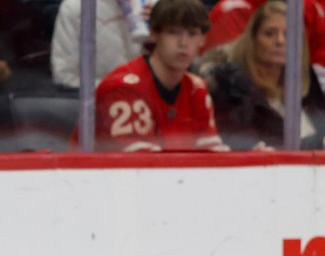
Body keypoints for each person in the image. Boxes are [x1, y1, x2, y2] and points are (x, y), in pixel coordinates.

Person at [89, 0, 227, 151]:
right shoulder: (121, 89)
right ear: (153, 34)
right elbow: (141, 167)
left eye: (192, 34)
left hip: (174, 173)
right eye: (173, 32)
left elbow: (212, 157)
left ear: (203, 40)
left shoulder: (197, 90)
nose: (183, 43)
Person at [204, 0, 325, 150]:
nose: (280, 41)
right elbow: (241, 141)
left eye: (288, 34)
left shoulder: (307, 79)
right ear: (253, 39)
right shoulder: (232, 85)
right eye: (270, 34)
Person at [50, 0, 145, 89]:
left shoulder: (148, 5)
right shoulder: (75, 8)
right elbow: (64, 75)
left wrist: (156, 30)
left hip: (147, 98)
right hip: (96, 100)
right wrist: (117, 86)